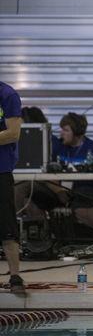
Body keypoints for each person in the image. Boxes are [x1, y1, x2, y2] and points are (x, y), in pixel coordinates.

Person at [14, 112, 93, 239]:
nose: (61, 133)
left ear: (77, 132)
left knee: (82, 207)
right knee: (24, 188)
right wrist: (59, 191)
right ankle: (36, 238)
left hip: (85, 192)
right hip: (60, 192)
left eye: (66, 130)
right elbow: (48, 173)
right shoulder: (58, 147)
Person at [0, 81, 25, 293]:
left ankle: (15, 275)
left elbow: (13, 133)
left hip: (1, 169)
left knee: (7, 225)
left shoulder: (7, 95)